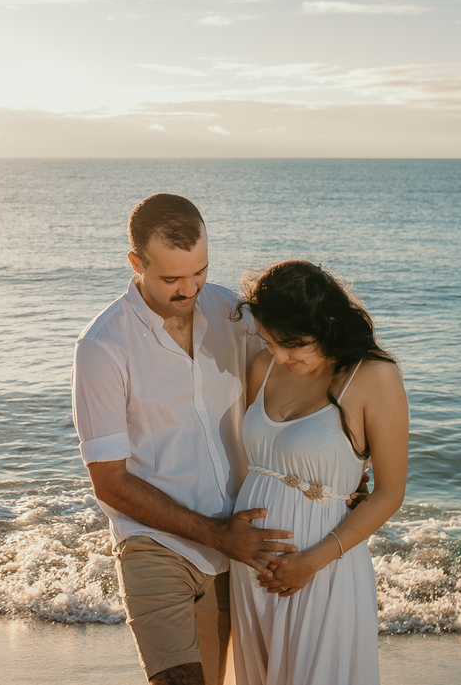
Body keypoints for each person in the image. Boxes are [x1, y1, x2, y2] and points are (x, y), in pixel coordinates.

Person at [71, 193, 301, 685]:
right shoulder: (103, 346)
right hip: (155, 546)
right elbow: (110, 483)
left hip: (235, 548)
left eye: (199, 272)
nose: (189, 288)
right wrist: (217, 534)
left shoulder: (235, 314)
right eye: (171, 278)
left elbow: (297, 381)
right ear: (136, 263)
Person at [228, 260, 409, 685]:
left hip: (321, 569)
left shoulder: (373, 377)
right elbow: (256, 461)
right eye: (271, 342)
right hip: (249, 567)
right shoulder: (263, 367)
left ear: (326, 324)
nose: (281, 355)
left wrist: (310, 562)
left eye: (292, 344)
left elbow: (389, 492)